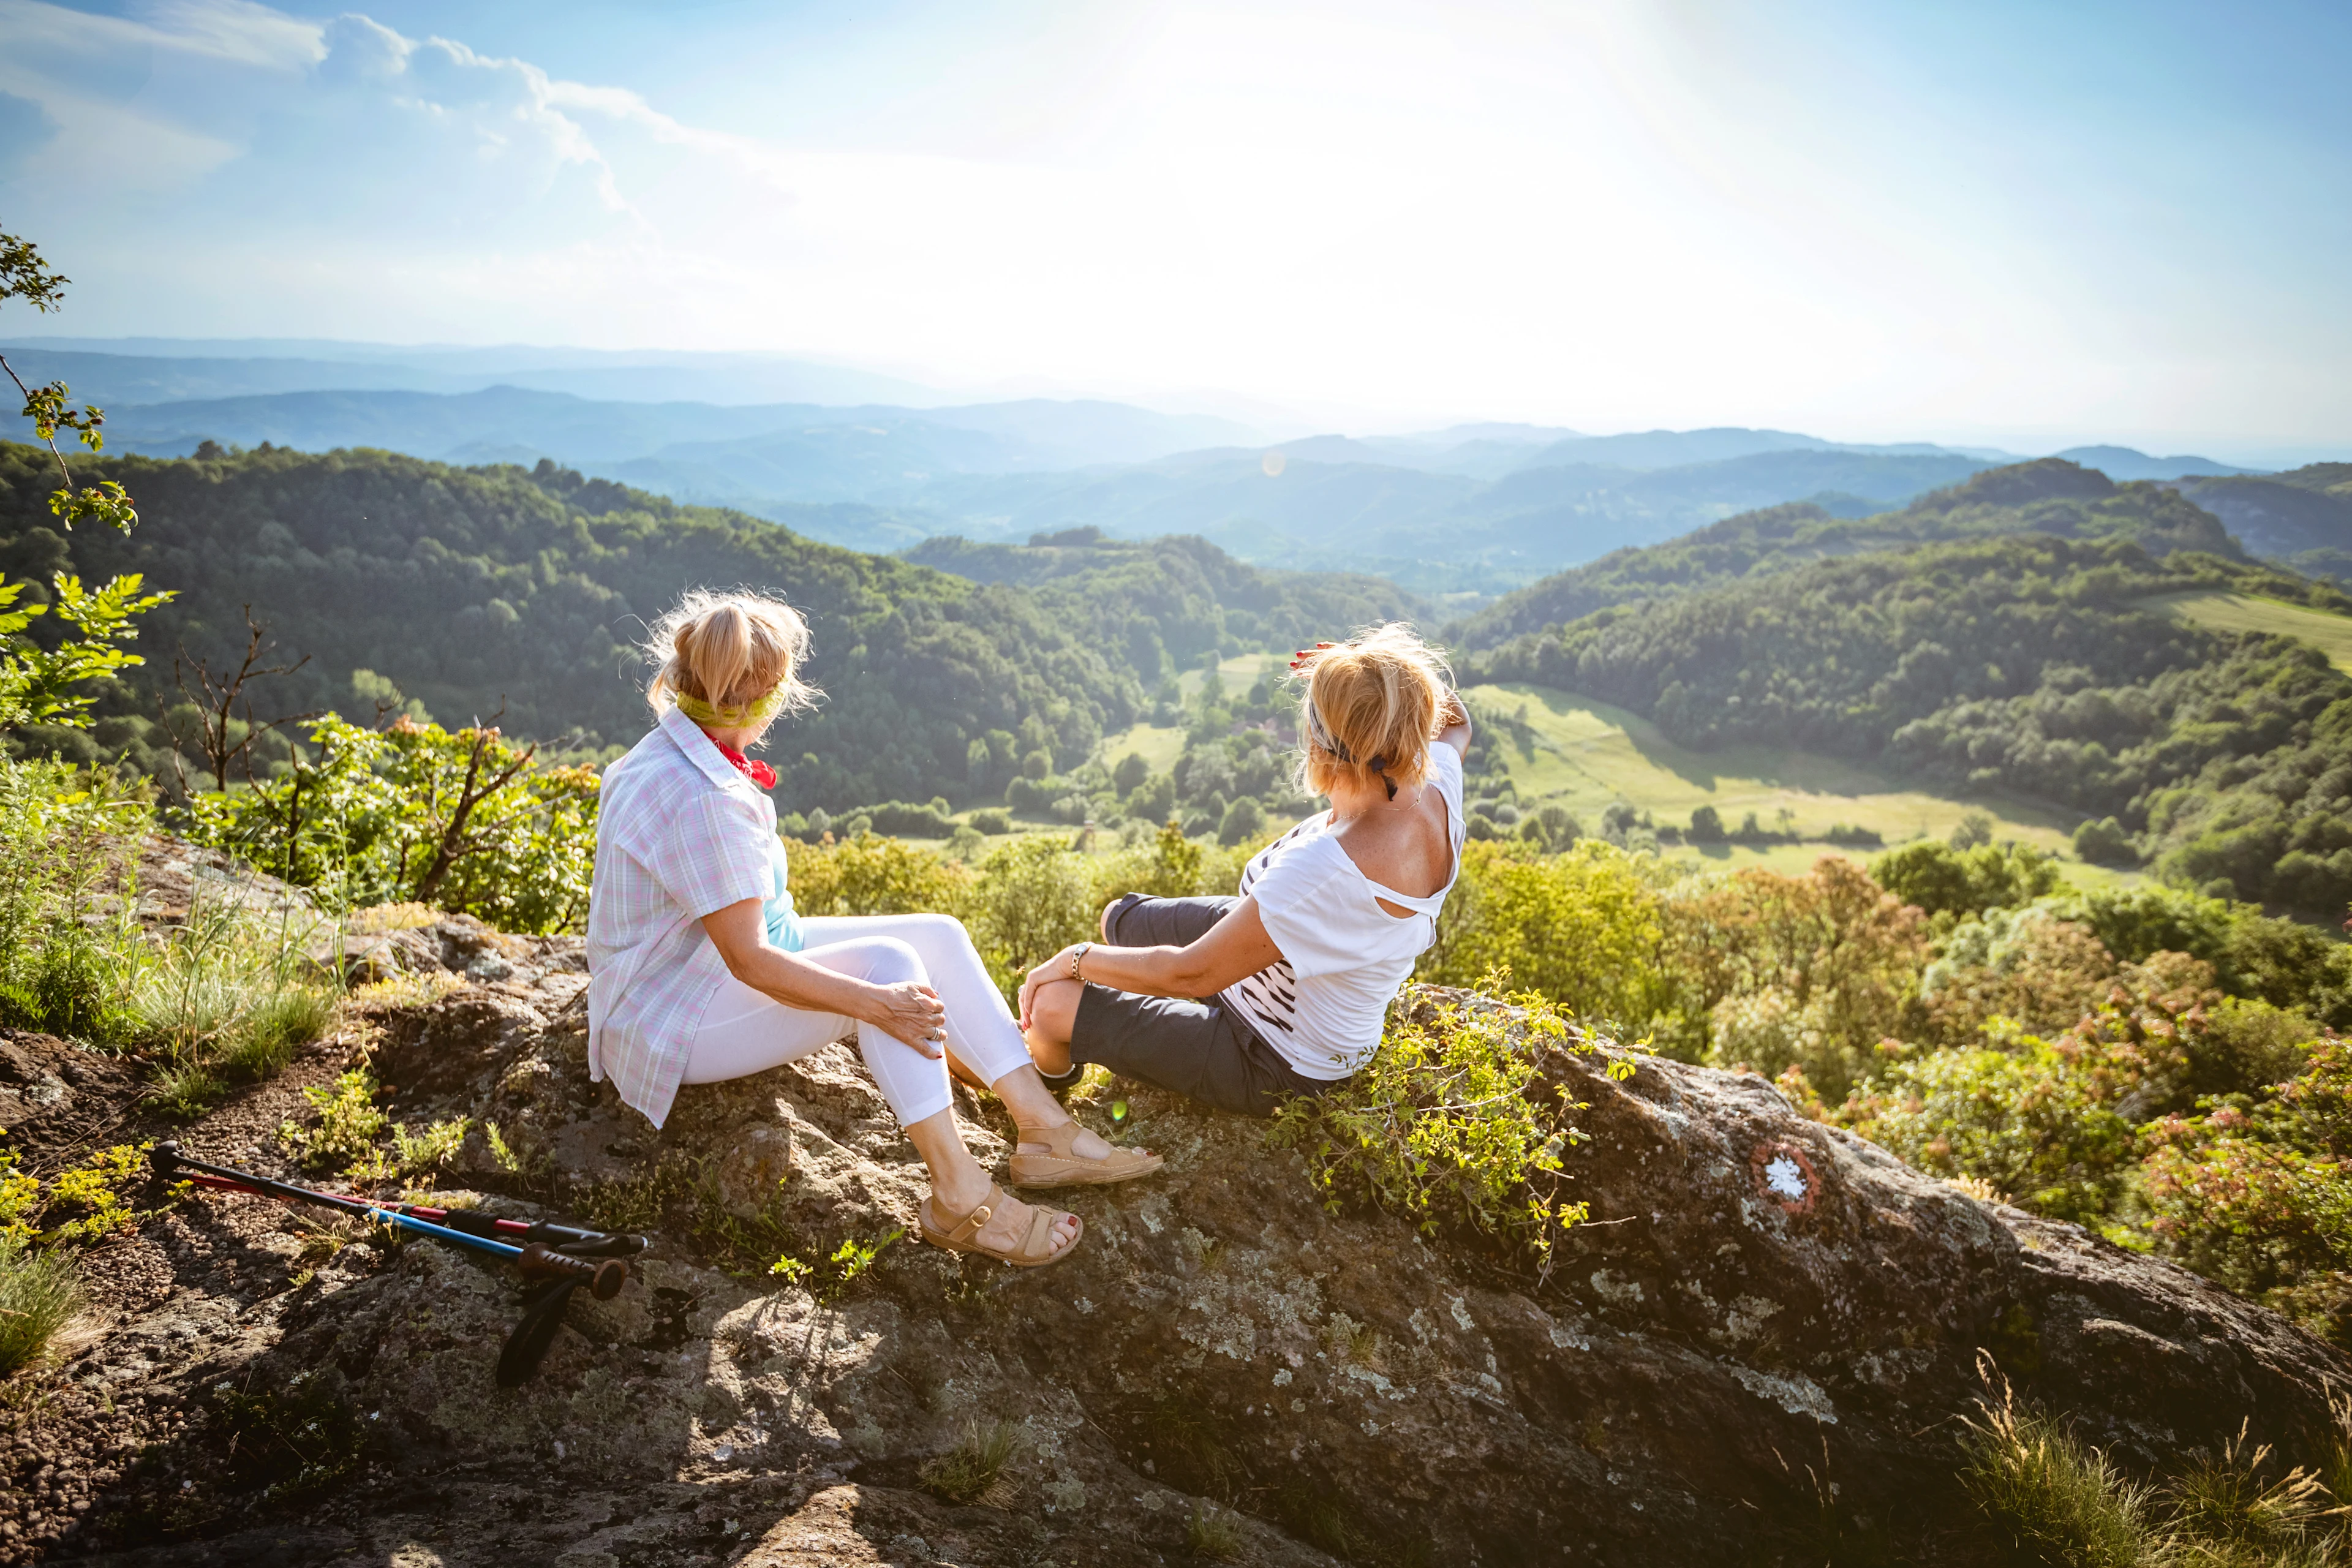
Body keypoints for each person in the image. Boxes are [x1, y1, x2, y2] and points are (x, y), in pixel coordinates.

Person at [586, 589, 1159, 1272]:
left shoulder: (672, 754)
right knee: (889, 968)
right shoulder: (705, 796)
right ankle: (957, 1195)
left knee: (937, 933)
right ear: (768, 694)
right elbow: (751, 959)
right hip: (670, 1018)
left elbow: (752, 928)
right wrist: (874, 1005)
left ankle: (1043, 1127)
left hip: (688, 971)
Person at [1017, 624, 1470, 1117]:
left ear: (1320, 746)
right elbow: (1457, 719)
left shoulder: (1328, 865)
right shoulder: (1438, 784)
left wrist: (1073, 959)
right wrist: (1367, 672)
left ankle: (1051, 1081)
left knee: (1052, 1003)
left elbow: (1190, 972)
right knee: (1120, 920)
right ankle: (1112, 1021)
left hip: (1279, 1058)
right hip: (1285, 974)